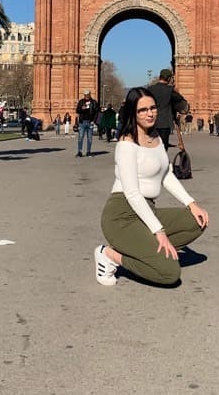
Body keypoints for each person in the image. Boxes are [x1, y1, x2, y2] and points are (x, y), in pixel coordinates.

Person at [94, 87, 209, 287]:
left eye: (153, 108)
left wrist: (191, 203)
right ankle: (110, 255)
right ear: (132, 113)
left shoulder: (155, 137)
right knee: (169, 273)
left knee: (197, 220)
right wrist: (159, 231)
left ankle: (147, 251)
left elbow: (166, 174)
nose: (150, 113)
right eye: (143, 110)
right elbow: (132, 194)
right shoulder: (126, 144)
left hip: (148, 209)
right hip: (122, 216)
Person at [148, 69, 188, 151]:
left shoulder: (150, 89)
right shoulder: (170, 90)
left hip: (150, 121)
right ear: (169, 78)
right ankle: (161, 162)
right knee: (163, 146)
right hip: (164, 123)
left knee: (151, 145)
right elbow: (182, 102)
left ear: (160, 77)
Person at [75, 89, 99, 157]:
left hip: (90, 122)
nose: (86, 96)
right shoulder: (81, 102)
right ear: (84, 95)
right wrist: (81, 109)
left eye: (88, 94)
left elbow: (97, 112)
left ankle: (88, 151)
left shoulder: (93, 102)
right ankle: (79, 152)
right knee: (80, 137)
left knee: (90, 138)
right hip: (82, 122)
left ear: (90, 94)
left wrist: (94, 121)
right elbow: (77, 110)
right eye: (85, 95)